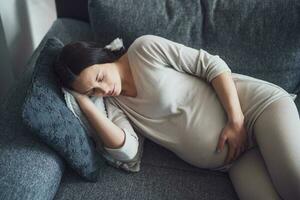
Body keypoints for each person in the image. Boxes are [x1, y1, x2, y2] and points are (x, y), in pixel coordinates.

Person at [54, 34, 300, 200]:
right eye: (93, 91)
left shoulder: (143, 49)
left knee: (294, 186)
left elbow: (212, 65)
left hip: (256, 111)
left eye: (99, 78)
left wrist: (236, 121)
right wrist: (86, 104)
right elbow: (127, 151)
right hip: (235, 160)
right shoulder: (115, 104)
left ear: (100, 56)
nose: (104, 90)